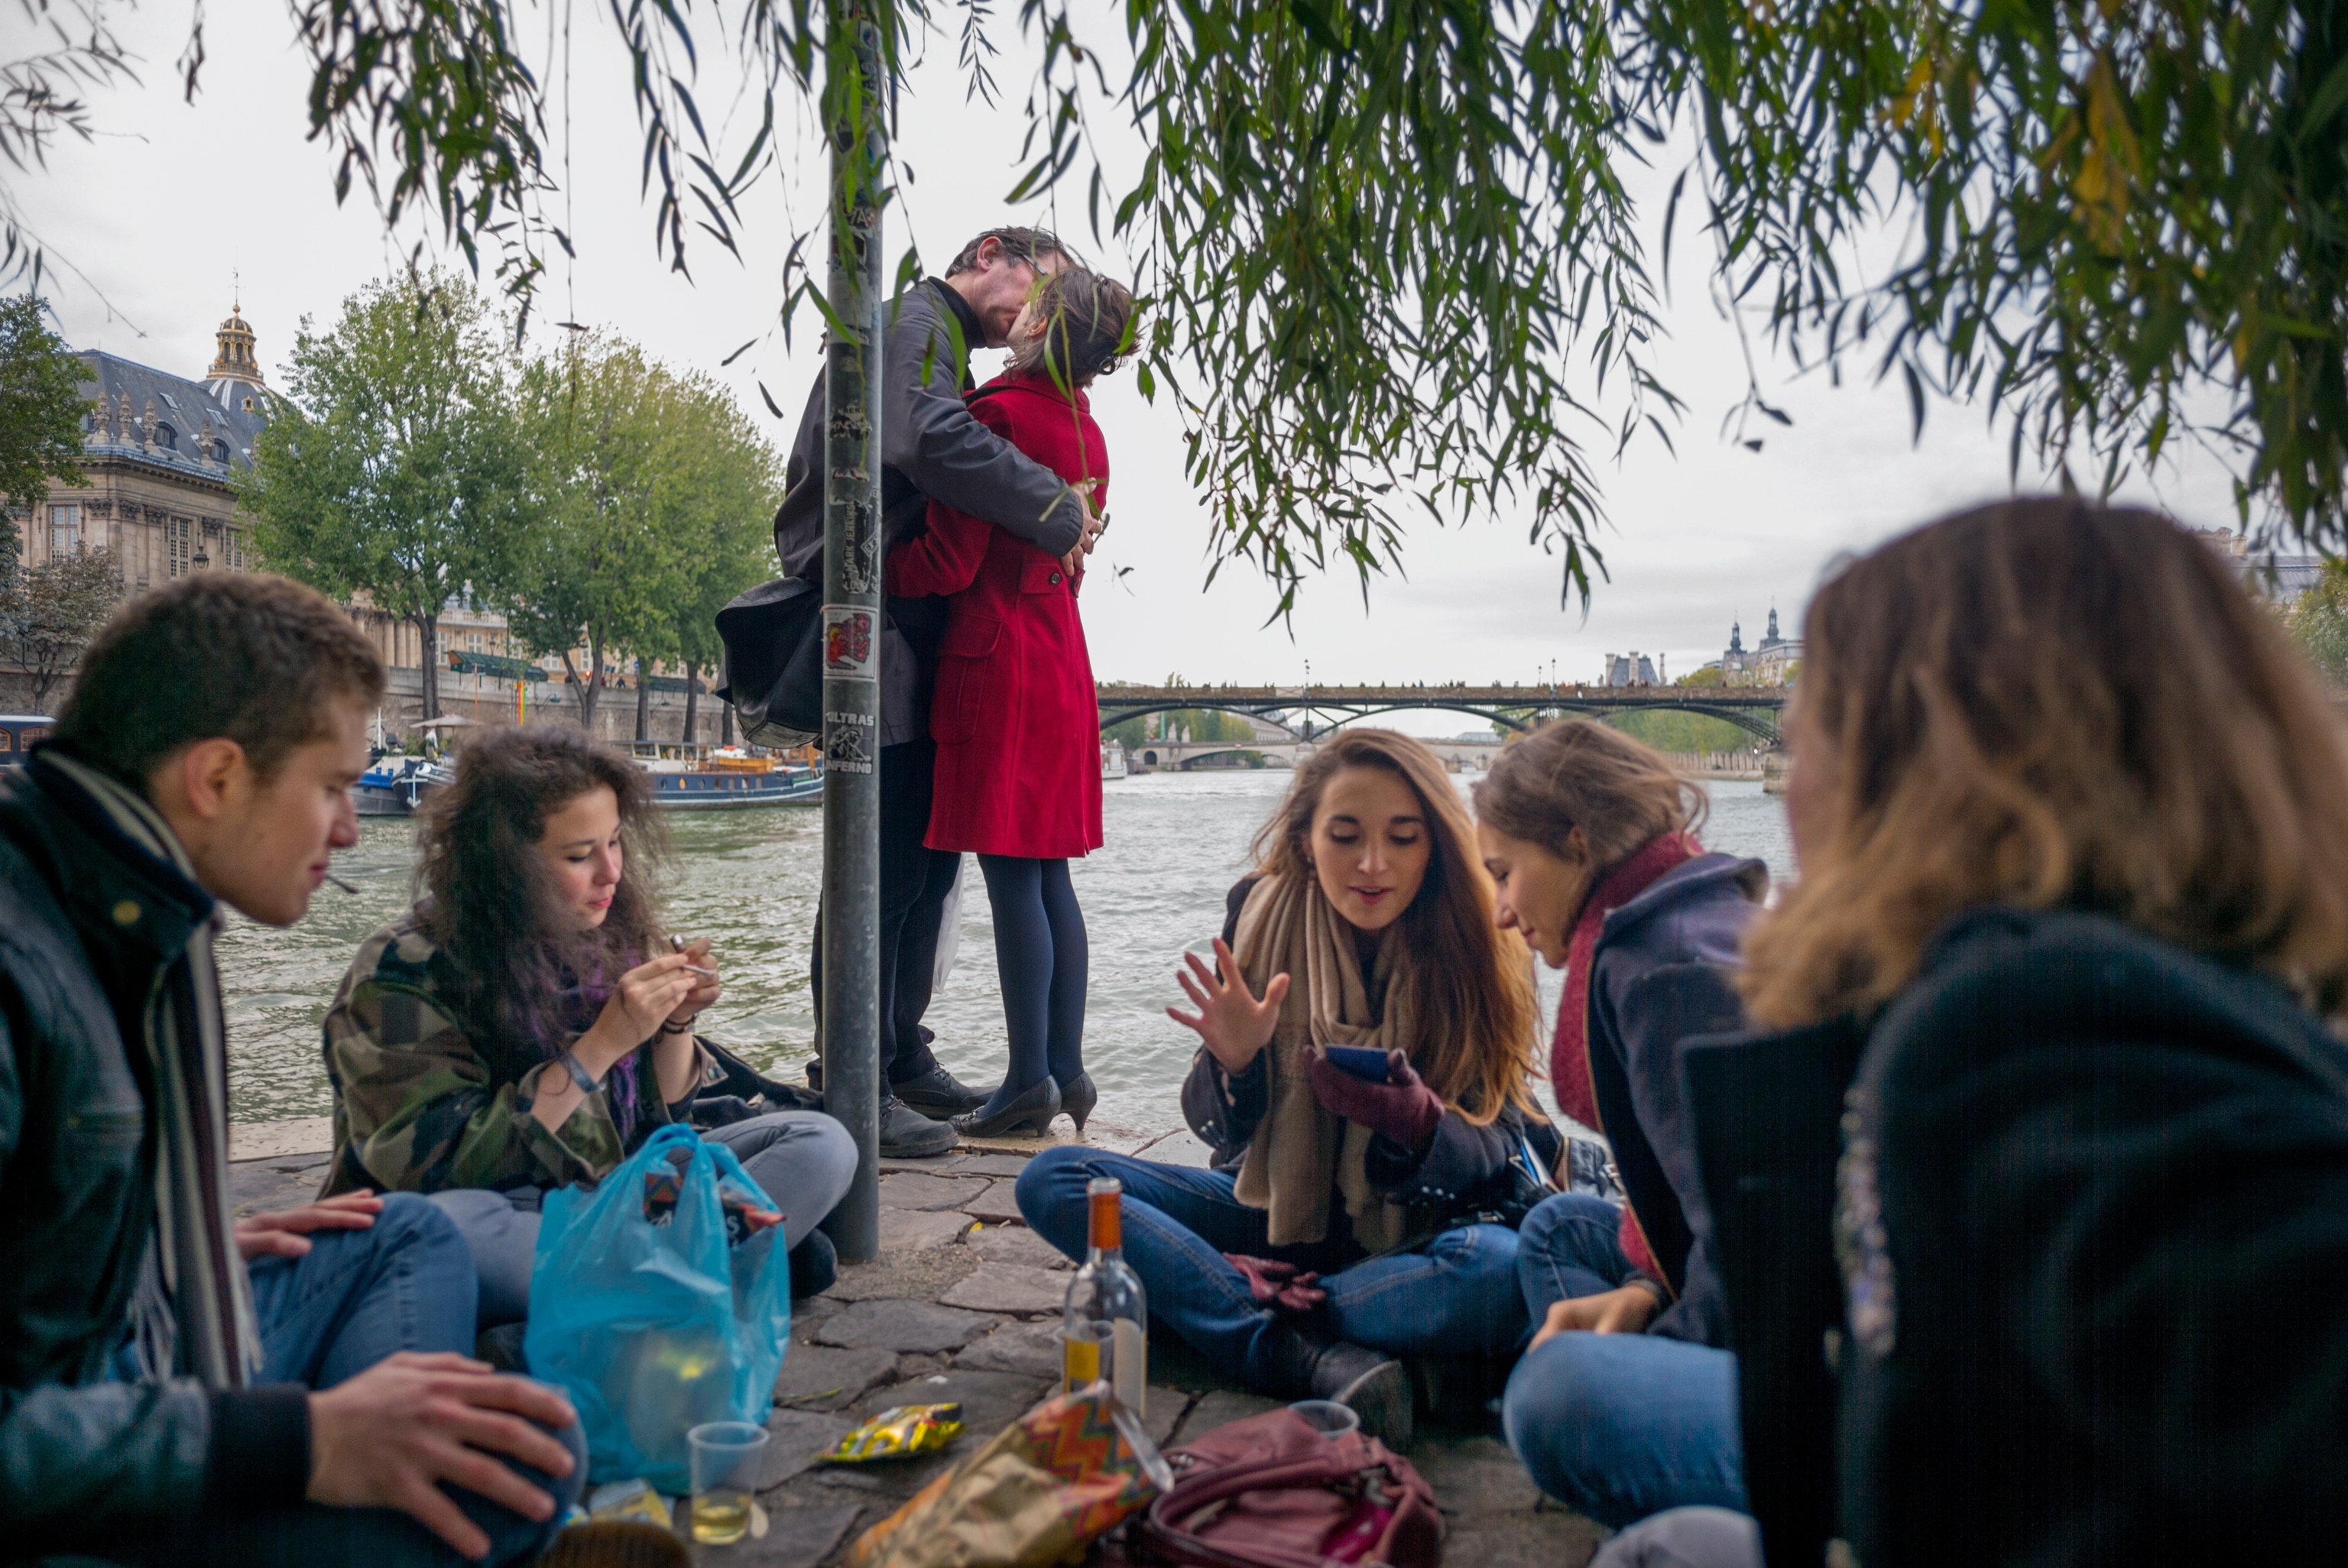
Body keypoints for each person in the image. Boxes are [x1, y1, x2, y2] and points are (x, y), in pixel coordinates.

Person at [1690, 498, 2348, 1568]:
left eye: (1815, 717)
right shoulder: (2183, 987)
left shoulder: (2026, 1031)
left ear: (1920, 758)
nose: (1792, 768)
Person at [0, 573, 582, 1566]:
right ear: (217, 778)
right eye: (332, 786)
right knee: (521, 1478)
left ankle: (375, 1468)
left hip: (131, 1336)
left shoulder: (98, 895)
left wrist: (168, 1254)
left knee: (400, 1237)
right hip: (64, 1459)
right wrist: (298, 1444)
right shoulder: (22, 961)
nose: (352, 829)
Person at [1017, 729, 1555, 1447]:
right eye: (1345, 836)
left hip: (1414, 1233)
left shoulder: (1478, 938)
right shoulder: (1257, 914)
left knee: (1499, 1270)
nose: (1372, 865)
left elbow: (1506, 1144)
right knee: (1056, 1178)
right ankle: (1294, 1347)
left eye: (1403, 838)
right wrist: (1235, 1067)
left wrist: (1420, 1126)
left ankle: (1245, 1310)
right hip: (1271, 1214)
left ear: (1435, 846)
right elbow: (1226, 1141)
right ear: (1305, 840)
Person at [320, 724, 859, 1327]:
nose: (611, 874)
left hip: (609, 1194)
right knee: (450, 1233)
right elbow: (442, 1168)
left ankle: (646, 1282)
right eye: (580, 856)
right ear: (505, 864)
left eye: (616, 843)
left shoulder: (600, 934)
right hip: (493, 1206)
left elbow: (660, 1121)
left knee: (822, 1144)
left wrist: (675, 1023)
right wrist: (600, 1047)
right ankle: (696, 1269)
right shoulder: (401, 970)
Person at [778, 225, 1104, 1155]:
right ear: (993, 252)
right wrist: (1053, 508)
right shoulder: (917, 320)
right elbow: (927, 434)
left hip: (905, 616)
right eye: (1039, 287)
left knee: (922, 859)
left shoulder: (943, 341)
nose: (1037, 316)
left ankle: (896, 1055)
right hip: (870, 613)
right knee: (878, 861)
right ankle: (850, 1075)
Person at [1469, 721, 1763, 1528]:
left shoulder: (1661, 977)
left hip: (1791, 1344)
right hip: (1755, 1276)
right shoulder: (1691, 913)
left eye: (1505, 873)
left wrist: (1661, 1346)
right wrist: (1640, 1292)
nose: (1499, 912)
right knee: (1560, 1224)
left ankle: (1653, 1502)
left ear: (1575, 840)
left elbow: (1755, 1246)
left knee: (1553, 1399)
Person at [885, 267, 1135, 1138]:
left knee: (1008, 878)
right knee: (1049, 874)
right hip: (1062, 657)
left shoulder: (997, 418)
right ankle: (1065, 1067)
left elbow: (949, 563)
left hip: (997, 659)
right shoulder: (1090, 435)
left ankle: (1027, 1075)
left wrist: (871, 574)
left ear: (1041, 327)